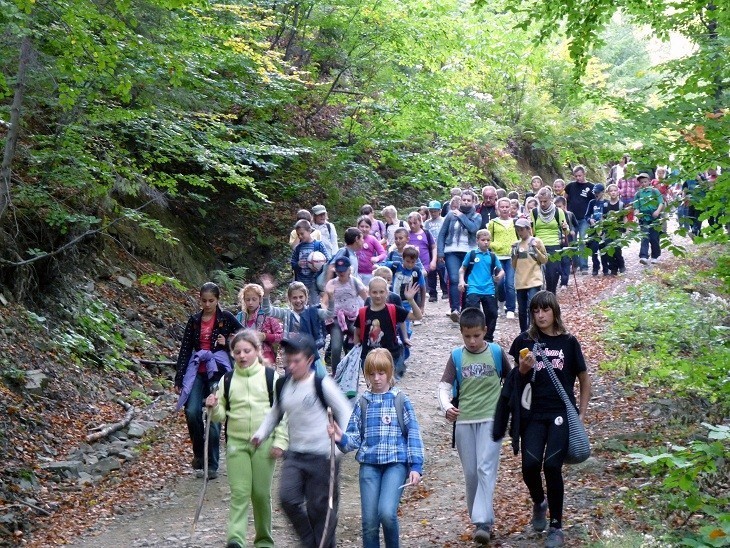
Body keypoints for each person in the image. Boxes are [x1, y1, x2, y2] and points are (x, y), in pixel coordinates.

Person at [494, 290, 592, 548]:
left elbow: (584, 379)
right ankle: (539, 502)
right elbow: (516, 382)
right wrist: (523, 370)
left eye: (545, 310)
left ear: (554, 311)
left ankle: (556, 526)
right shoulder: (524, 341)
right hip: (533, 413)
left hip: (560, 413)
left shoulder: (569, 343)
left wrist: (580, 413)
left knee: (551, 466)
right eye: (536, 311)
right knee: (529, 466)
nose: (540, 315)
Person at [252, 334, 352, 548]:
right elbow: (276, 412)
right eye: (288, 360)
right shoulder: (283, 385)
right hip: (295, 454)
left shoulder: (321, 384)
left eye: (296, 360)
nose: (291, 365)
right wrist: (261, 434)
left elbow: (345, 411)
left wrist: (341, 446)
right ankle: (309, 542)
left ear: (309, 360)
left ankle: (322, 544)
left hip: (324, 456)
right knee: (287, 498)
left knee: (321, 510)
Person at [329, 348, 424, 548]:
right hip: (369, 466)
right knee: (369, 522)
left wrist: (415, 466)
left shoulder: (400, 400)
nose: (377, 378)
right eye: (372, 374)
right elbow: (355, 437)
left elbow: (413, 433)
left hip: (395, 465)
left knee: (387, 513)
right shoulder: (363, 402)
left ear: (390, 372)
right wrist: (341, 438)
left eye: (381, 373)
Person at [205, 330, 288, 548]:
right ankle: (235, 539)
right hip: (236, 444)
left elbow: (282, 413)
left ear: (257, 351)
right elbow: (221, 415)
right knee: (240, 493)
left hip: (265, 443)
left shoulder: (272, 378)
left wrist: (280, 442)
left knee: (260, 494)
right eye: (238, 352)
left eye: (247, 351)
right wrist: (213, 408)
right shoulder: (228, 379)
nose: (242, 356)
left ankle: (264, 540)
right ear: (232, 354)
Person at [437, 308, 511, 544]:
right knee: (471, 473)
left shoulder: (497, 353)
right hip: (464, 420)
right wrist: (445, 406)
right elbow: (444, 385)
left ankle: (483, 522)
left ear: (485, 332)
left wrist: (510, 408)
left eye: (476, 336)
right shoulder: (457, 356)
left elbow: (511, 381)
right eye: (467, 336)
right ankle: (479, 517)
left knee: (485, 467)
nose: (472, 341)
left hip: (491, 419)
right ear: (461, 333)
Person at [175, 282, 243, 479]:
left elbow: (245, 336)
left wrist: (228, 342)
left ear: (218, 300)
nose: (207, 304)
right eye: (204, 301)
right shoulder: (194, 320)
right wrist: (179, 377)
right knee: (192, 410)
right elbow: (186, 348)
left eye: (211, 301)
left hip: (219, 369)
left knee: (213, 415)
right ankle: (199, 454)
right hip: (197, 369)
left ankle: (211, 464)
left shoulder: (226, 318)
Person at [260, 276, 330, 376]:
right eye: (294, 298)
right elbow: (268, 310)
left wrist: (330, 297)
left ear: (306, 297)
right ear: (289, 299)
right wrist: (266, 293)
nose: (298, 300)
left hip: (309, 355)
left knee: (311, 379)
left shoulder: (313, 312)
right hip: (290, 355)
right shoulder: (286, 313)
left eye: (301, 297)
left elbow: (329, 314)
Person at [354, 276, 423, 378]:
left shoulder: (393, 309)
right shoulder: (363, 312)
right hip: (369, 358)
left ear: (387, 292)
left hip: (390, 357)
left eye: (381, 292)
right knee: (374, 386)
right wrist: (357, 352)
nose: (378, 295)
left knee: (388, 387)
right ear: (369, 293)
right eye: (374, 292)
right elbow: (357, 332)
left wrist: (411, 300)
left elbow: (417, 316)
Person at [437, 189, 481, 323]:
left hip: (469, 251)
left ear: (473, 202)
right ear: (460, 200)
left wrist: (461, 216)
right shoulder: (450, 215)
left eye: (469, 200)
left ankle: (466, 309)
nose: (466, 202)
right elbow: (442, 234)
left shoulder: (476, 216)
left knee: (467, 280)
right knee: (455, 279)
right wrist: (440, 252)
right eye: (464, 200)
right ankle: (455, 309)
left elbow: (473, 228)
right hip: (452, 250)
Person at [322, 256, 368, 376]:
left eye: (344, 270)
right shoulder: (332, 283)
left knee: (362, 341)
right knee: (336, 347)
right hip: (337, 319)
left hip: (353, 318)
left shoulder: (355, 282)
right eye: (339, 270)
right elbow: (324, 302)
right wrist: (325, 311)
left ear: (349, 270)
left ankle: (361, 369)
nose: (341, 272)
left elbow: (366, 298)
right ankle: (336, 373)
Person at [458, 229, 504, 342]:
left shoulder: (492, 256)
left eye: (488, 240)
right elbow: (462, 269)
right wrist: (461, 281)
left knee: (492, 313)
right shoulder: (472, 254)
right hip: (473, 287)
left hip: (489, 289)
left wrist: (499, 276)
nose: (486, 242)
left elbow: (501, 270)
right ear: (477, 240)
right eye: (483, 240)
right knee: (473, 313)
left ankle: (488, 338)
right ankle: (472, 335)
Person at [512, 217, 548, 332]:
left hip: (534, 280)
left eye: (522, 229)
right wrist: (515, 255)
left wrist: (536, 250)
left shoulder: (536, 241)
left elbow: (544, 260)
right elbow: (514, 265)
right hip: (520, 281)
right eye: (518, 230)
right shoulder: (516, 245)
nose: (520, 232)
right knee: (522, 310)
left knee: (532, 307)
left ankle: (535, 329)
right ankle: (524, 332)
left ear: (528, 229)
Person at [530, 187, 568, 293]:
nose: (542, 204)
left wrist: (565, 228)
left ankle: (551, 294)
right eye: (540, 201)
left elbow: (566, 231)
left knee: (552, 273)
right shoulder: (534, 212)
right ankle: (539, 296)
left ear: (551, 199)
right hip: (538, 245)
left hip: (554, 244)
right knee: (538, 274)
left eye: (545, 201)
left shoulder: (558, 211)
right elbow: (532, 232)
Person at [236, 283, 284, 365]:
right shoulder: (239, 317)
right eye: (248, 300)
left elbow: (281, 336)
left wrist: (265, 336)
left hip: (264, 354)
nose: (250, 303)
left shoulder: (268, 315)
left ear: (260, 299)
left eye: (254, 299)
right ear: (244, 300)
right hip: (243, 354)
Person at [488, 198, 517, 319]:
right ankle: (500, 302)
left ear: (510, 208)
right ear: (498, 208)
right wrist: (496, 246)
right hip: (498, 257)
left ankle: (510, 308)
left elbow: (521, 236)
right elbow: (488, 239)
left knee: (510, 283)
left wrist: (516, 246)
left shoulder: (515, 222)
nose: (504, 209)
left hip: (511, 256)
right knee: (499, 283)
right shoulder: (493, 223)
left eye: (506, 207)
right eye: (502, 207)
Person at [564, 165, 595, 275]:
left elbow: (594, 203)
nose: (578, 178)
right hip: (572, 219)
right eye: (576, 176)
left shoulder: (591, 187)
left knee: (582, 240)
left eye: (580, 175)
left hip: (584, 219)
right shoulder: (570, 186)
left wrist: (592, 216)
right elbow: (564, 199)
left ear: (584, 174)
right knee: (572, 241)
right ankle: (575, 263)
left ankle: (584, 266)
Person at [291, 219, 330, 304]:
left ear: (309, 231)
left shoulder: (318, 245)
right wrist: (297, 264)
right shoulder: (298, 248)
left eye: (302, 234)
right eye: (298, 235)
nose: (300, 236)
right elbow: (293, 262)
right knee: (302, 304)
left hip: (314, 282)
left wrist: (319, 266)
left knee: (313, 305)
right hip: (301, 282)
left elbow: (327, 260)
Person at [633, 172, 665, 265]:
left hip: (654, 216)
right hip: (644, 217)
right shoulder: (638, 194)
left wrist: (657, 212)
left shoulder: (654, 191)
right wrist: (636, 216)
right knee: (644, 237)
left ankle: (655, 256)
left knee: (654, 237)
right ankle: (643, 256)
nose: (643, 184)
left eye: (645, 182)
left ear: (649, 182)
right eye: (641, 182)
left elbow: (661, 202)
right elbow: (636, 206)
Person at [424, 200, 448, 302]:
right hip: (429, 250)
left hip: (441, 249)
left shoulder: (444, 221)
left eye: (435, 211)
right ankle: (432, 293)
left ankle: (445, 291)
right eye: (431, 211)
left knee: (442, 270)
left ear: (440, 211)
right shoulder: (427, 223)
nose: (433, 213)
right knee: (431, 272)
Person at [554, 197, 578, 289]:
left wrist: (572, 230)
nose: (558, 209)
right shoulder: (553, 216)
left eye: (560, 206)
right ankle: (559, 277)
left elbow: (576, 225)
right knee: (557, 263)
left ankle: (564, 282)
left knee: (566, 262)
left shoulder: (569, 215)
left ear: (565, 206)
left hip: (567, 243)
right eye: (556, 207)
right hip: (556, 242)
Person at [356, 215, 387, 285]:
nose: (364, 229)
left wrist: (377, 258)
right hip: (355, 273)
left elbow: (383, 254)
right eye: (362, 226)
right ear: (358, 227)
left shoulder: (372, 239)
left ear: (370, 228)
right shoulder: (354, 238)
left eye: (367, 227)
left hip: (369, 274)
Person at [584, 184, 606, 276]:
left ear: (603, 192)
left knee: (604, 249)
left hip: (604, 229)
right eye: (595, 192)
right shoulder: (592, 202)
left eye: (598, 192)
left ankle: (606, 268)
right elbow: (586, 215)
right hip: (593, 229)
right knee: (594, 249)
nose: (596, 194)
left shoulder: (606, 203)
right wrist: (590, 220)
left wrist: (604, 221)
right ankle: (595, 267)